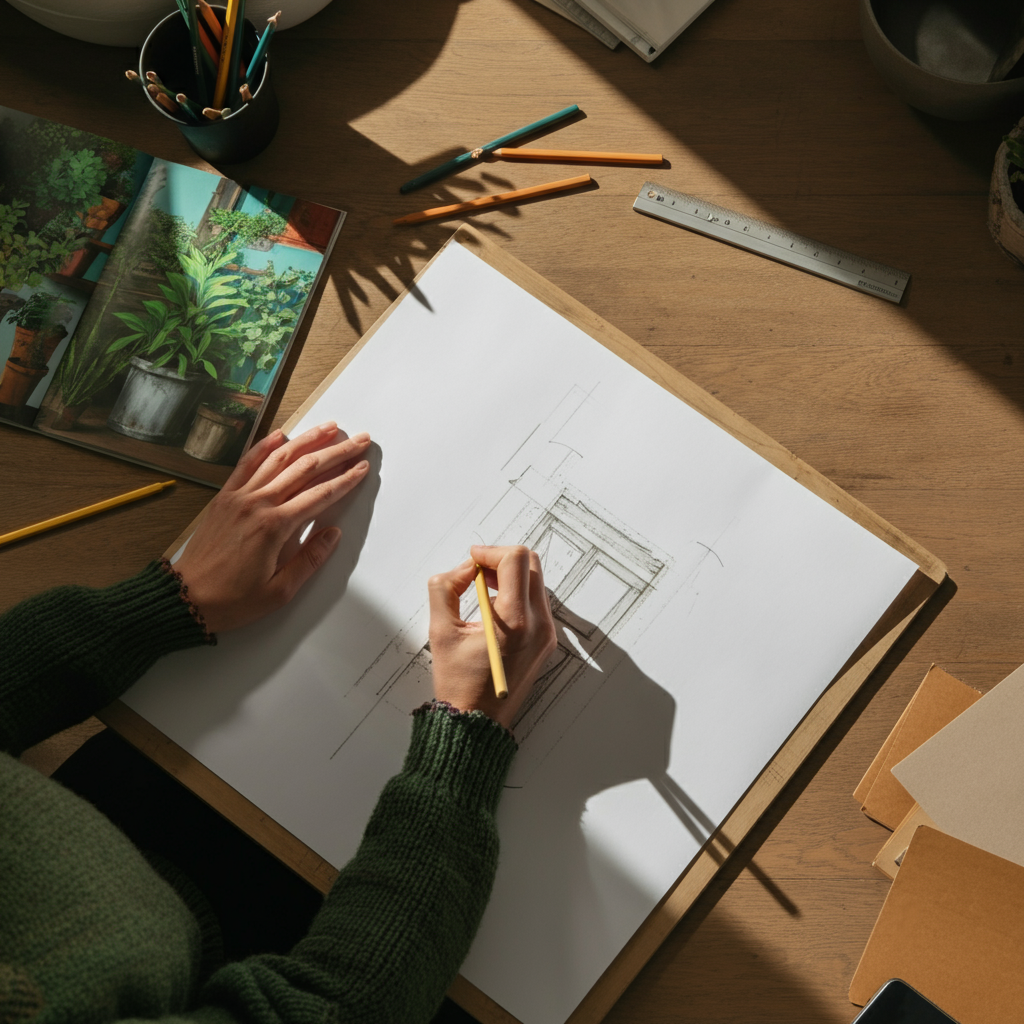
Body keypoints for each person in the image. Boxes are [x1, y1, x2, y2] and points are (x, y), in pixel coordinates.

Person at [0, 420, 557, 1024]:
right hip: (233, 964)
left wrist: (168, 602)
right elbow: (340, 1009)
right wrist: (464, 739)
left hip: (114, 819)